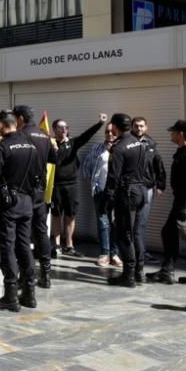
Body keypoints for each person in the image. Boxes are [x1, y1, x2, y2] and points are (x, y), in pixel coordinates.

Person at [0, 110, 45, 313]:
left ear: (1, 124)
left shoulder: (3, 146)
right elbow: (39, 174)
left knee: (7, 247)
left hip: (9, 203)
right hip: (28, 202)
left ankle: (10, 295)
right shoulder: (31, 146)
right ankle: (29, 293)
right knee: (24, 245)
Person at [149, 120, 186, 286]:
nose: (171, 134)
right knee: (169, 233)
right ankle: (167, 271)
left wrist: (184, 206)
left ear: (181, 134)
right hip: (182, 201)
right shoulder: (182, 152)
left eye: (173, 132)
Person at [11, 106, 56, 288]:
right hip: (40, 190)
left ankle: (25, 275)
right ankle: (46, 274)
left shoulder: (20, 136)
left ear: (20, 118)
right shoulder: (45, 136)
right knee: (41, 231)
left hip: (24, 190)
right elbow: (54, 158)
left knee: (22, 234)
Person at [50, 114, 106, 257]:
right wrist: (53, 150)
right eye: (60, 127)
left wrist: (100, 123)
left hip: (71, 186)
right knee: (56, 215)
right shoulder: (50, 145)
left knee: (70, 216)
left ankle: (69, 245)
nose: (63, 129)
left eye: (66, 127)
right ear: (54, 129)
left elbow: (87, 135)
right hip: (55, 186)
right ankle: (56, 245)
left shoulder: (73, 143)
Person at [104, 113, 149, 287]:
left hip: (127, 194)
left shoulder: (120, 147)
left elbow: (113, 176)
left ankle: (128, 276)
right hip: (140, 191)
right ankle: (138, 272)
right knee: (135, 233)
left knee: (124, 234)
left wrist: (108, 198)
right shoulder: (140, 144)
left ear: (115, 126)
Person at [81, 126, 122, 267]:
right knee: (103, 222)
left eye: (113, 132)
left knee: (116, 223)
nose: (110, 134)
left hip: (117, 192)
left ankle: (115, 254)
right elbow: (86, 164)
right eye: (107, 131)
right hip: (100, 191)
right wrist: (91, 179)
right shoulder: (97, 148)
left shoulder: (123, 147)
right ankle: (105, 253)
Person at [131, 117, 167, 265]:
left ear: (146, 127)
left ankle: (142, 253)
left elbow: (159, 166)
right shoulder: (126, 143)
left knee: (141, 223)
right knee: (127, 222)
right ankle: (127, 253)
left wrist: (160, 185)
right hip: (130, 189)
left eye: (141, 126)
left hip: (147, 188)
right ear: (132, 128)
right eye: (136, 126)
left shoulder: (151, 145)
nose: (139, 129)